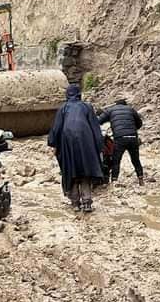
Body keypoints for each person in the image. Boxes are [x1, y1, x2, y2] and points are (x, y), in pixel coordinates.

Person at [48, 84, 104, 213]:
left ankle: (75, 203)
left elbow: (56, 128)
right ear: (79, 94)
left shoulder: (63, 108)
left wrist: (53, 144)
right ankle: (87, 202)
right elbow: (95, 128)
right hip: (86, 142)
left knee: (71, 171)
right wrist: (99, 146)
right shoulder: (87, 107)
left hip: (67, 143)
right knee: (85, 171)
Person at [98, 99, 144, 185]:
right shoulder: (131, 109)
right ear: (125, 104)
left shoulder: (111, 110)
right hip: (133, 137)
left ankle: (114, 181)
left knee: (116, 160)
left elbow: (99, 121)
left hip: (120, 138)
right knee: (135, 160)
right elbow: (139, 123)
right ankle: (140, 179)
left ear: (116, 104)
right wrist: (132, 129)